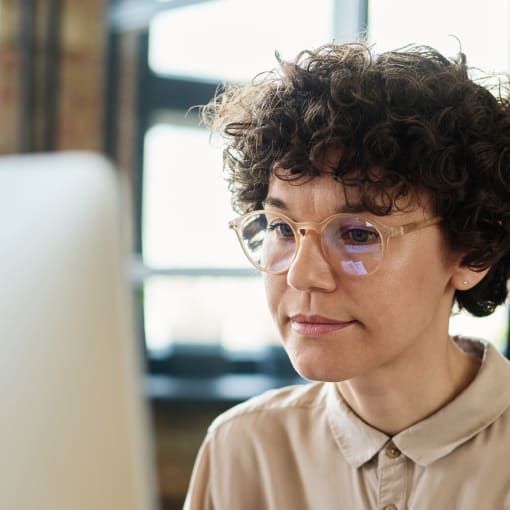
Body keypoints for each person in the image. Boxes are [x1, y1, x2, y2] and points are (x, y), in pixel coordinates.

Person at [184, 43, 510, 509]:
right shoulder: (243, 449)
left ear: (474, 251)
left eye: (358, 233)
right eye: (282, 228)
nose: (302, 275)